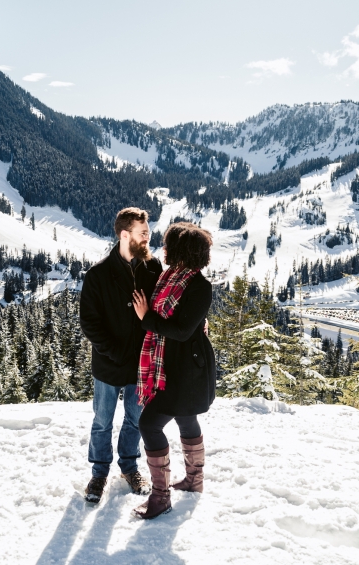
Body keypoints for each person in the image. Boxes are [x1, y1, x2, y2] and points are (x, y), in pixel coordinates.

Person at [130, 222, 216, 519]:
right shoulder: (171, 276)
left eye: (168, 244)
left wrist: (146, 318)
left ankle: (161, 497)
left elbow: (180, 331)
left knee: (149, 425)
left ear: (182, 251)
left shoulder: (199, 287)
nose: (163, 249)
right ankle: (194, 481)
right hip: (170, 362)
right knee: (185, 417)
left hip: (185, 368)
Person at [79, 207, 163, 503]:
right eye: (143, 234)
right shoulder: (98, 274)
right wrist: (113, 351)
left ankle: (129, 466)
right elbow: (89, 321)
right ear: (125, 235)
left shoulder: (153, 269)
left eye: (148, 233)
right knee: (102, 420)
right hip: (108, 363)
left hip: (141, 363)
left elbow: (165, 308)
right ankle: (99, 473)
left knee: (136, 418)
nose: (148, 238)